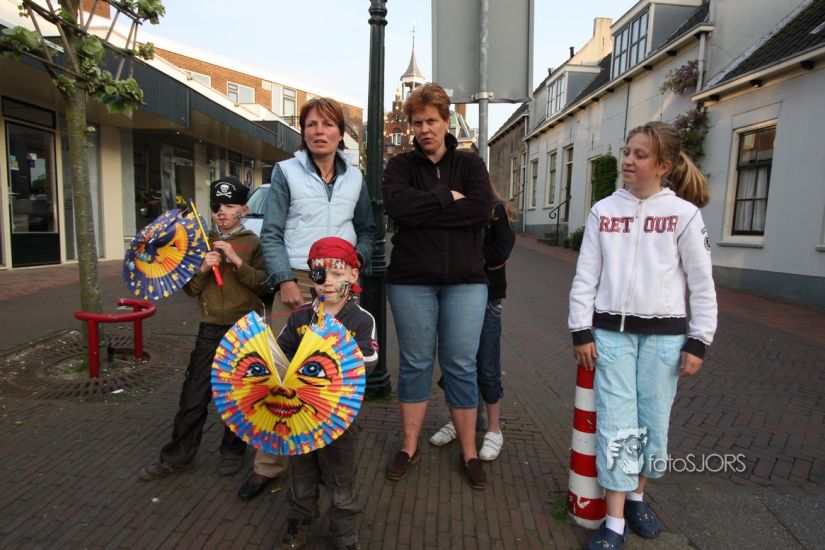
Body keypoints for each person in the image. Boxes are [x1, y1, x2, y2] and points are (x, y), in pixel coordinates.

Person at [568, 121, 717, 549]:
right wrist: (580, 329)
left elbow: (702, 283)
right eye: (627, 151)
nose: (628, 161)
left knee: (652, 421)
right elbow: (586, 277)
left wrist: (699, 339)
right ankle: (614, 521)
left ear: (663, 165)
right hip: (611, 335)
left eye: (640, 154)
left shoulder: (684, 215)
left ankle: (637, 497)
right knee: (617, 425)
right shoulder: (603, 211)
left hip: (665, 339)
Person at [244, 97, 376, 500]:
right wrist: (284, 279)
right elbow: (271, 233)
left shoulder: (355, 177)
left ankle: (322, 453)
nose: (319, 131)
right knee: (282, 375)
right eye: (312, 124)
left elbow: (367, 230)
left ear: (340, 133)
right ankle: (269, 464)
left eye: (328, 124)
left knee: (331, 373)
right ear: (303, 132)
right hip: (299, 278)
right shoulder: (286, 172)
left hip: (341, 284)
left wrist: (354, 265)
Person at [382, 82, 493, 490]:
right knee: (415, 363)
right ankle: (409, 446)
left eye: (431, 121)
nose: (424, 129)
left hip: (465, 282)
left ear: (447, 122)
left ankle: (469, 451)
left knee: (461, 364)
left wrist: (425, 210)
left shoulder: (471, 164)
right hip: (411, 281)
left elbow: (480, 210)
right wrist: (448, 197)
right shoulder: (399, 167)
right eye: (417, 123)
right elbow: (399, 209)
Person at [139, 176, 269, 481]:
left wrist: (236, 261)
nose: (222, 212)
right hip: (210, 328)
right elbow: (191, 289)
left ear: (244, 209)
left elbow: (264, 284)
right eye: (216, 206)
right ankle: (177, 456)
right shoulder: (199, 242)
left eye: (230, 205)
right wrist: (202, 268)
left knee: (239, 394)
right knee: (194, 394)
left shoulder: (253, 242)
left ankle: (232, 451)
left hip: (243, 329)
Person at [276, 236, 378, 550]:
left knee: (341, 479)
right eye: (320, 274)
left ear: (353, 275)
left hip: (338, 419)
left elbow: (369, 361)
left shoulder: (361, 320)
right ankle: (299, 523)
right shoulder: (300, 317)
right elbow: (279, 355)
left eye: (337, 273)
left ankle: (344, 534)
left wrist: (327, 357)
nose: (328, 281)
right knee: (301, 475)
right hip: (300, 416)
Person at [429, 187, 516, 462]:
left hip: (488, 295)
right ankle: (457, 421)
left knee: (487, 362)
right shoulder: (454, 207)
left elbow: (500, 252)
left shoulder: (496, 211)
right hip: (455, 293)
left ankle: (494, 429)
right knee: (455, 361)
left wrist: (465, 255)